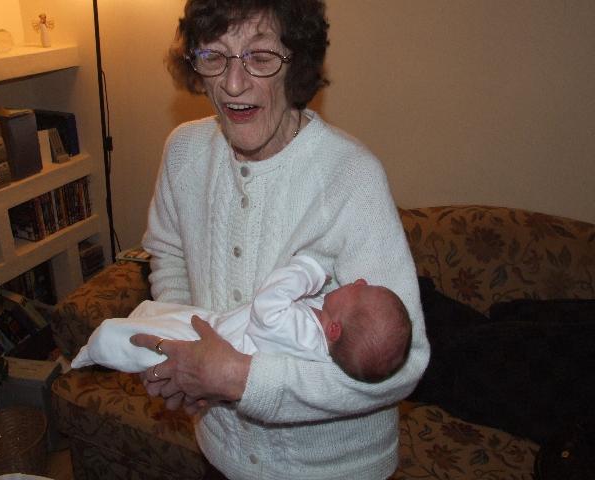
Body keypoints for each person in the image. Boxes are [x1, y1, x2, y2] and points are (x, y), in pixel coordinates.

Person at [131, 1, 430, 478]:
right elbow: (169, 253)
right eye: (214, 56)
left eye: (260, 57)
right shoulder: (183, 151)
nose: (233, 83)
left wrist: (239, 378)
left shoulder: (350, 176)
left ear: (297, 64)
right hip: (221, 454)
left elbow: (405, 365)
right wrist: (186, 351)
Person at [71, 255, 411, 383]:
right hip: (220, 326)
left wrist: (307, 270)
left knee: (139, 343)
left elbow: (268, 306)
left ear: (334, 329)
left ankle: (95, 348)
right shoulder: (320, 333)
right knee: (158, 317)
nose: (359, 281)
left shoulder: (305, 335)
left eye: (360, 290)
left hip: (209, 346)